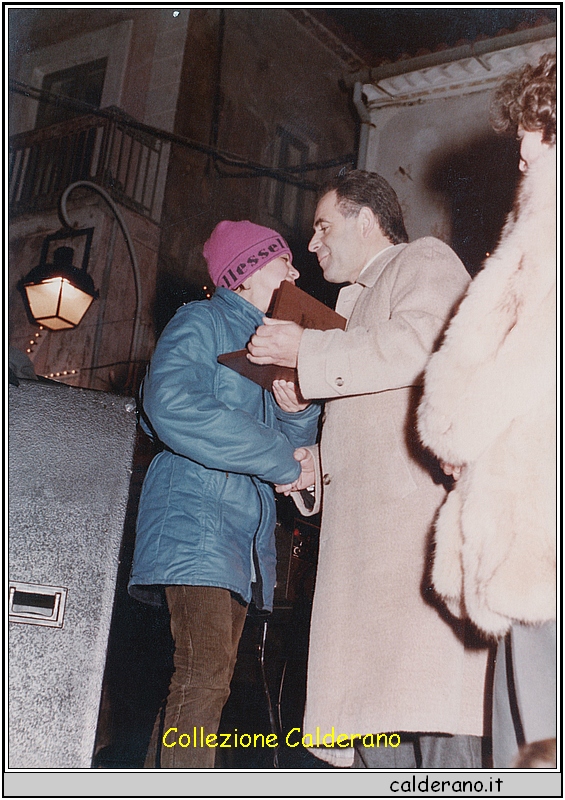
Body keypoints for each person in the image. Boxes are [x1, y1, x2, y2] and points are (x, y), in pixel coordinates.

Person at [247, 170, 489, 768]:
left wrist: (307, 351)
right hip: (369, 565)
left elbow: (424, 342)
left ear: (366, 219)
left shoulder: (423, 259)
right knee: (382, 744)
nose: (312, 243)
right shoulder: (352, 309)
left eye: (323, 225)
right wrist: (315, 467)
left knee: (437, 733)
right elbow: (386, 422)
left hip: (412, 562)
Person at [129, 220, 320, 769]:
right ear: (249, 270)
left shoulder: (269, 342)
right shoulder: (203, 320)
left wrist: (297, 415)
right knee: (204, 673)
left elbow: (287, 455)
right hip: (197, 520)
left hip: (239, 536)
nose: (296, 271)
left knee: (202, 677)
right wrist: (283, 456)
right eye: (284, 261)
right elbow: (172, 405)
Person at [417, 52, 556, 769]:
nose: (525, 150)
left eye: (539, 130)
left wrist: (451, 428)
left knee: (533, 743)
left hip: (538, 519)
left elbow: (524, 349)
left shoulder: (548, 227)